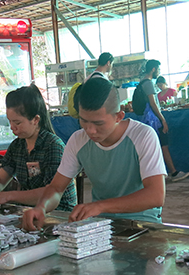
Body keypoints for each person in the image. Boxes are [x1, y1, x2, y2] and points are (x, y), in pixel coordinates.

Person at [22, 77, 166, 230]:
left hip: (142, 223)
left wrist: (100, 206)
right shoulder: (78, 140)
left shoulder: (143, 136)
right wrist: (41, 207)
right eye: (84, 121)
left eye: (98, 123)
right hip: (100, 223)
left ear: (118, 116)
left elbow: (156, 195)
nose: (90, 130)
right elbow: (56, 188)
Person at [0, 85, 77, 211]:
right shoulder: (17, 146)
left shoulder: (53, 146)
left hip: (59, 214)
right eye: (10, 121)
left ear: (35, 120)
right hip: (30, 211)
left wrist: (8, 196)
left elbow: (52, 192)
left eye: (17, 122)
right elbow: (0, 180)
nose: (12, 127)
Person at [132, 60, 189, 182]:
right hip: (153, 120)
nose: (159, 72)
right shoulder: (148, 84)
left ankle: (156, 173)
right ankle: (173, 172)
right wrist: (163, 120)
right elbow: (153, 103)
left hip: (147, 119)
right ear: (153, 69)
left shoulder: (142, 83)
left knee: (154, 146)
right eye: (158, 69)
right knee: (163, 145)